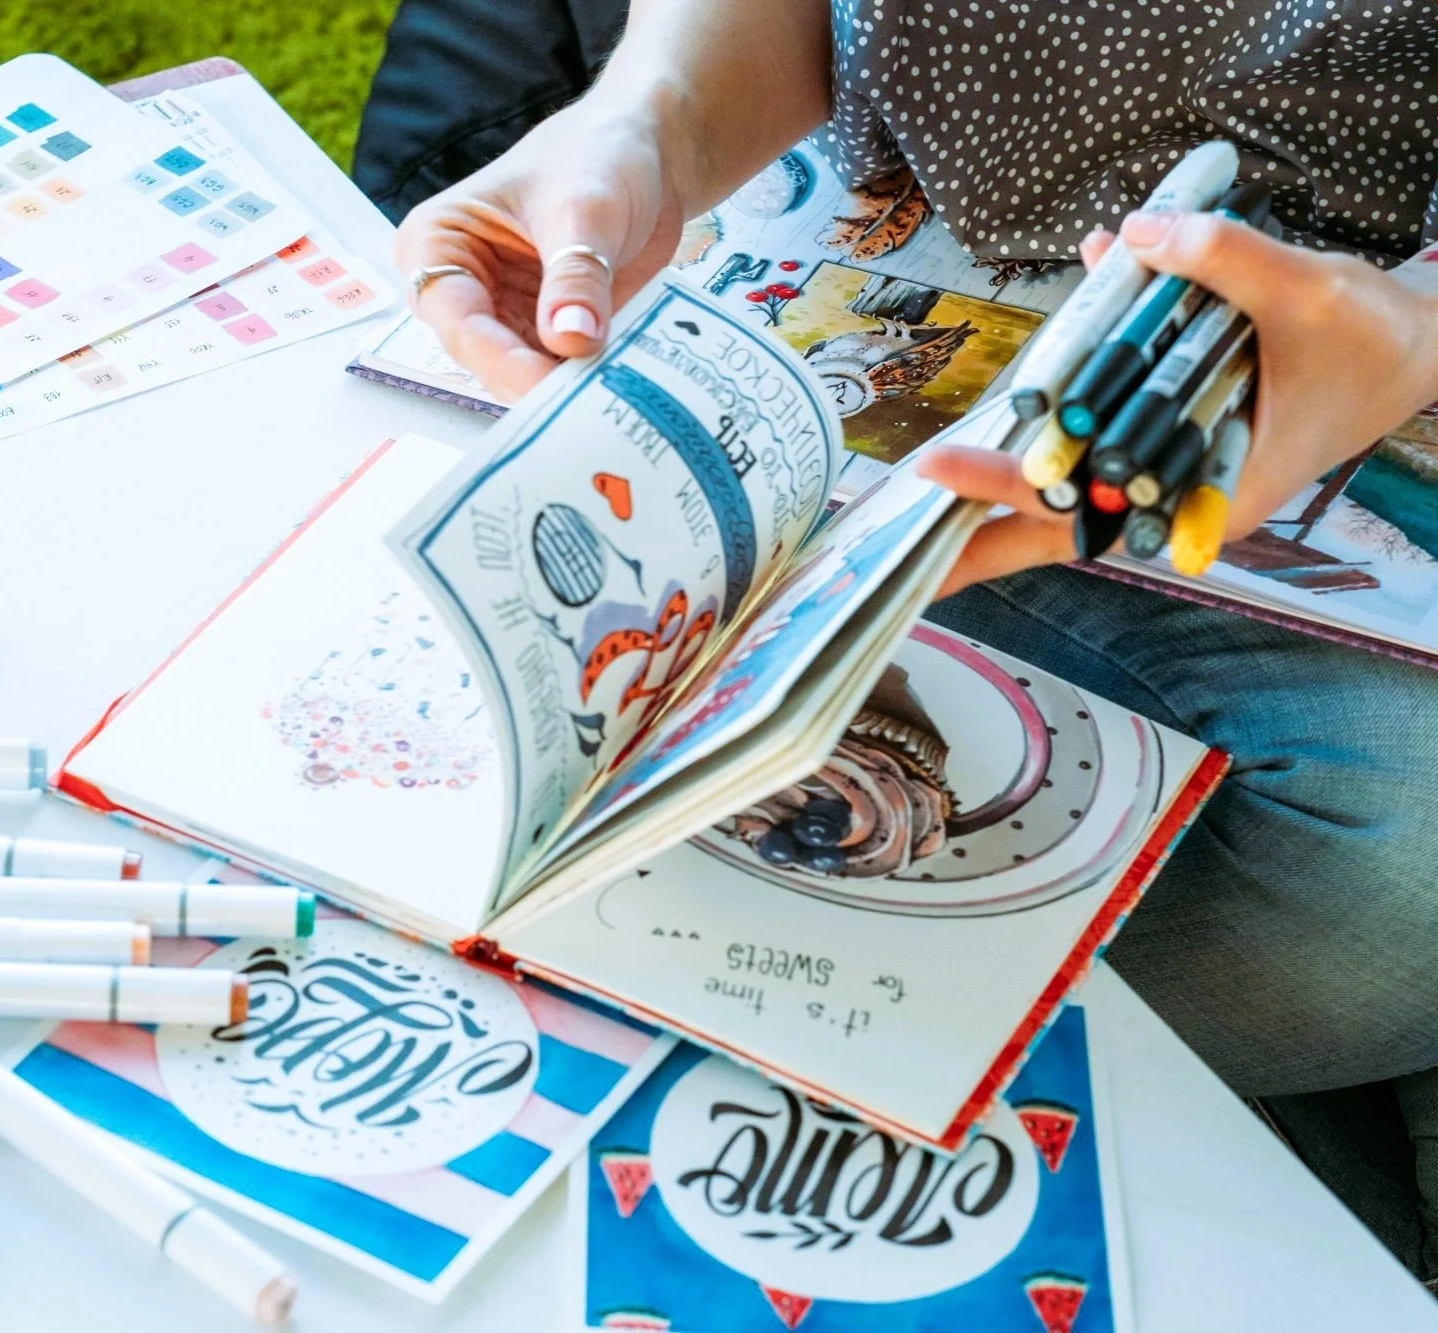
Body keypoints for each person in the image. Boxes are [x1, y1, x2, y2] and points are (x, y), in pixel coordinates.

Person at [363, 0, 1438, 1281]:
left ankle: (655, 998)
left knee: (1390, 895)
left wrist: (1401, 348)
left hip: (1344, 352)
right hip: (834, 243)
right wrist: (645, 118)